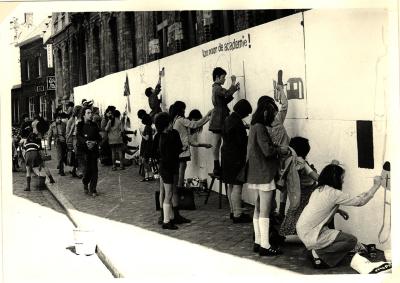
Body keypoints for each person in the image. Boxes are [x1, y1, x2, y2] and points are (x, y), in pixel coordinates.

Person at [296, 163, 382, 269]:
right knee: (351, 241)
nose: (343, 181)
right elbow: (360, 201)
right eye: (342, 178)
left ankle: (315, 251)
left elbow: (320, 208)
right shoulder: (334, 193)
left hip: (303, 229)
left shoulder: (319, 190)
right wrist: (376, 186)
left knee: (339, 237)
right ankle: (318, 253)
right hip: (311, 233)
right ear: (335, 179)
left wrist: (338, 211)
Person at [247, 96, 284, 256]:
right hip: (264, 173)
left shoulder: (253, 125)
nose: (274, 117)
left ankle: (258, 242)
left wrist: (272, 146)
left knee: (257, 207)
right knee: (265, 210)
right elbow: (267, 151)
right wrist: (279, 150)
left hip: (255, 173)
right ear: (266, 111)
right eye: (273, 113)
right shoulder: (260, 127)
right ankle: (265, 245)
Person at [279, 137, 319, 236]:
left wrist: (281, 208)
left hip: (295, 196)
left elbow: (283, 189)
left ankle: (285, 235)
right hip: (305, 196)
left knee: (292, 218)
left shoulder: (288, 161)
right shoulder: (302, 163)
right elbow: (316, 177)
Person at [221, 99, 253, 223]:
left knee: (230, 184)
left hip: (226, 154)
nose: (247, 115)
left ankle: (232, 210)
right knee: (237, 185)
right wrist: (252, 136)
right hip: (236, 157)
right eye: (247, 113)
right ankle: (238, 214)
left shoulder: (228, 119)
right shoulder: (238, 122)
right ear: (242, 111)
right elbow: (242, 141)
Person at [170, 101, 212, 188]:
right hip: (182, 150)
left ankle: (178, 189)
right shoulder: (181, 120)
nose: (184, 111)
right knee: (181, 171)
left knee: (180, 171)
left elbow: (191, 141)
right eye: (183, 109)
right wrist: (208, 117)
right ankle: (179, 190)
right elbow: (195, 124)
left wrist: (204, 145)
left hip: (178, 150)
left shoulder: (175, 120)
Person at [208, 67, 240, 176]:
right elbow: (226, 94)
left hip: (218, 117)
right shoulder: (217, 88)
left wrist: (233, 89)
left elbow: (224, 99)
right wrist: (233, 83)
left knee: (217, 143)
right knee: (219, 143)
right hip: (219, 117)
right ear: (217, 77)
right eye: (223, 77)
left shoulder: (215, 88)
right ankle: (218, 166)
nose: (224, 79)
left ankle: (217, 166)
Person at [154, 112, 183, 230]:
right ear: (167, 124)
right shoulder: (165, 137)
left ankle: (169, 218)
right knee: (169, 193)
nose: (172, 124)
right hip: (168, 167)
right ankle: (166, 220)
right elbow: (172, 152)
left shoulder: (162, 136)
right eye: (170, 123)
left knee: (169, 193)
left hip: (167, 166)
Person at [76, 106, 101, 197]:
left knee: (95, 170)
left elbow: (99, 137)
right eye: (88, 113)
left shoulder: (94, 125)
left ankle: (93, 189)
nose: (90, 115)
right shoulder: (80, 125)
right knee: (88, 170)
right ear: (83, 115)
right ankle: (85, 182)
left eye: (91, 113)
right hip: (84, 151)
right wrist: (86, 142)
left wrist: (95, 142)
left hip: (93, 150)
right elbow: (78, 137)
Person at [66, 105, 83, 178]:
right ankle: (78, 172)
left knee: (79, 155)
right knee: (78, 155)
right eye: (81, 111)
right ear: (79, 112)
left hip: (80, 138)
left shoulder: (81, 119)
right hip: (76, 138)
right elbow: (71, 129)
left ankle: (75, 170)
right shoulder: (75, 119)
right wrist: (68, 138)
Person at [139, 113, 154, 181]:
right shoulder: (149, 127)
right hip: (148, 146)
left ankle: (147, 176)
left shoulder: (147, 127)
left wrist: (141, 134)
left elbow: (147, 138)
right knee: (147, 162)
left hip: (146, 147)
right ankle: (150, 175)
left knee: (145, 161)